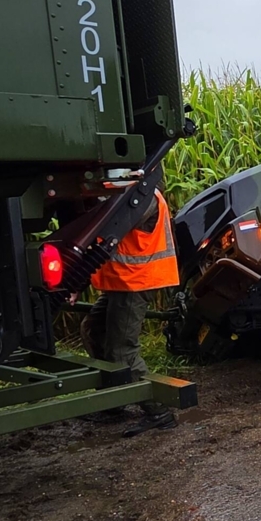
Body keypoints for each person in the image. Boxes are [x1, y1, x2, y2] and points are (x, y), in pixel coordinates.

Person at [79, 183, 182, 435]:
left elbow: (113, 223)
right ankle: (115, 401)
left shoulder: (144, 196)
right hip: (123, 281)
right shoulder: (124, 191)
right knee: (94, 329)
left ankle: (159, 411)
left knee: (122, 351)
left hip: (137, 281)